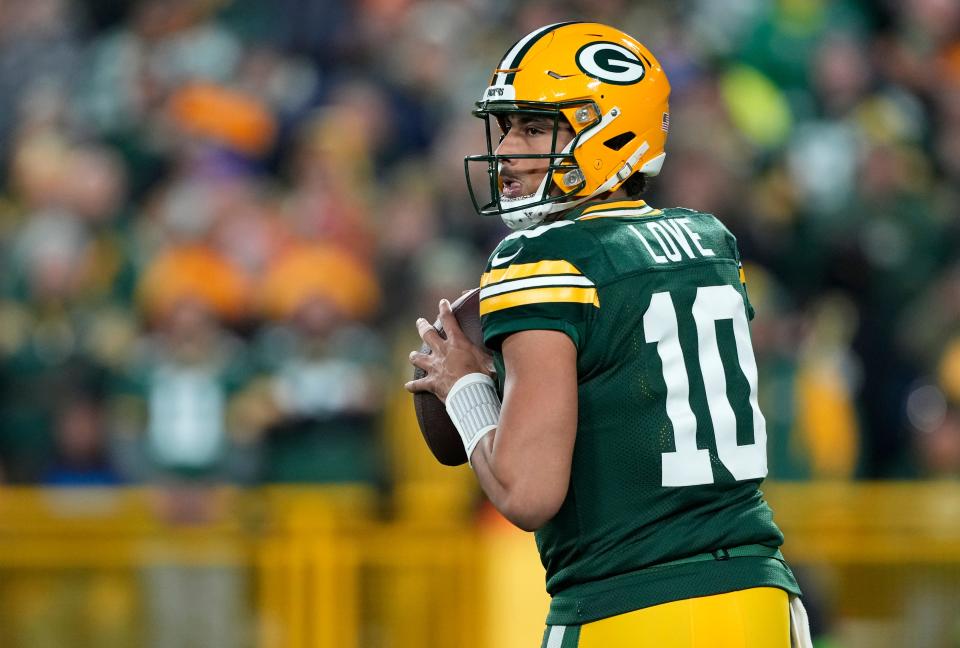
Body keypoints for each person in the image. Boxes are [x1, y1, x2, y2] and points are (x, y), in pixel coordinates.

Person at [406, 21, 812, 648]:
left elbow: (527, 491)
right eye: (508, 126)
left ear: (609, 128)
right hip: (762, 601)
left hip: (631, 608)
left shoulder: (542, 259)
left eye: (534, 127)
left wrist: (465, 390)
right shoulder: (708, 240)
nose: (508, 150)